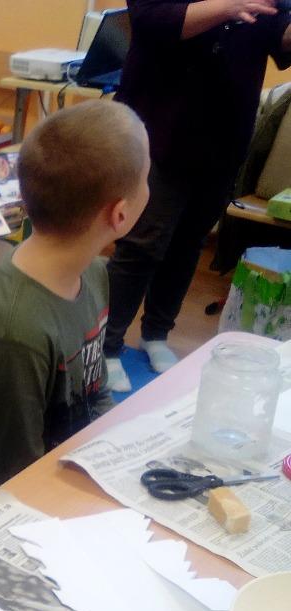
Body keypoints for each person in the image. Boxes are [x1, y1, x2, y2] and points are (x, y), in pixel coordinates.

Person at [0, 100, 151, 509]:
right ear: (120, 214)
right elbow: (15, 482)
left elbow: (95, 393)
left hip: (71, 473)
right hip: (16, 514)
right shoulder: (13, 334)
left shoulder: (93, 274)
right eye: (147, 177)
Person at [103, 0, 291, 391]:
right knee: (142, 244)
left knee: (188, 243)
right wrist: (229, 6)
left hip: (223, 137)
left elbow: (281, 38)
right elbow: (152, 21)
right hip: (158, 131)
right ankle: (106, 346)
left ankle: (156, 333)